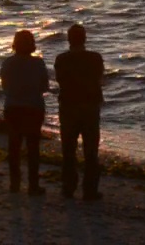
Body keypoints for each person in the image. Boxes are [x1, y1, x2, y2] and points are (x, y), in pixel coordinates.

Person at [54, 23, 104, 200]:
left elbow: (60, 80)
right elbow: (99, 78)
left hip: (68, 106)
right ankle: (90, 190)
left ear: (69, 40)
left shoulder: (61, 59)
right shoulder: (95, 58)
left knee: (68, 149)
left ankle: (68, 187)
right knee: (91, 150)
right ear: (85, 39)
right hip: (90, 106)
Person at [0, 29, 49, 195]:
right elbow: (45, 87)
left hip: (13, 107)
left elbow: (4, 86)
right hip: (34, 108)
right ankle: (33, 185)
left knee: (14, 146)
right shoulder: (38, 63)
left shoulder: (7, 63)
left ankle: (15, 184)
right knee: (33, 147)